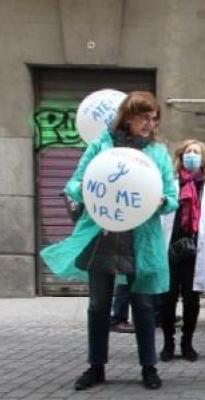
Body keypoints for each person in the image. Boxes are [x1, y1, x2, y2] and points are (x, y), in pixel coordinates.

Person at [40, 91, 178, 390]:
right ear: (128, 117)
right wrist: (85, 189)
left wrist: (160, 201)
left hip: (139, 240)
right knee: (98, 305)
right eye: (144, 117)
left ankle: (148, 367)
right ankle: (96, 366)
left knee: (143, 305)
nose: (149, 125)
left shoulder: (158, 153)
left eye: (154, 119)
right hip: (102, 237)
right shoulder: (101, 145)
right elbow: (75, 183)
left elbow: (172, 197)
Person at [160, 139, 205, 362]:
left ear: (203, 158)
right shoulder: (169, 184)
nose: (192, 155)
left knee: (192, 300)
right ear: (180, 156)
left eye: (196, 152)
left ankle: (187, 343)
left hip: (196, 253)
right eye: (188, 151)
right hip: (169, 250)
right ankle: (168, 343)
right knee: (167, 299)